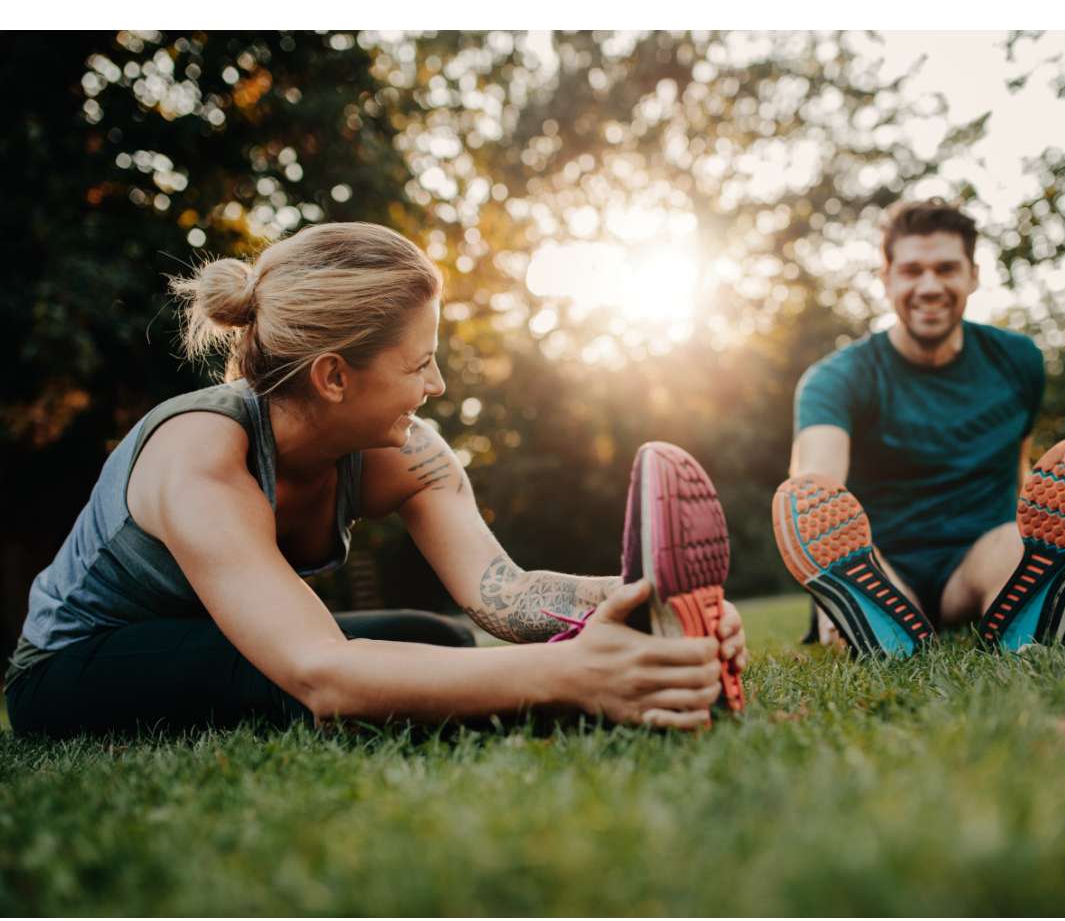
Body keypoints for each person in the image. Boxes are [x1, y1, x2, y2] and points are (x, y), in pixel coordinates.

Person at [4, 222, 746, 739]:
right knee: (301, 684)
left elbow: (507, 596)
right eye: (419, 363)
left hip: (218, 643)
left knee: (439, 642)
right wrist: (574, 678)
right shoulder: (202, 453)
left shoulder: (405, 453)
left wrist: (647, 607)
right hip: (76, 667)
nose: (440, 383)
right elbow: (322, 672)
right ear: (334, 376)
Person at [770, 199, 1065, 657]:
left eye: (946, 269)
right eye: (912, 270)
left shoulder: (1018, 361)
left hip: (979, 557)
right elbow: (816, 489)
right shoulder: (837, 378)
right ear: (887, 279)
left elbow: (1018, 461)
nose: (929, 286)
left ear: (973, 275)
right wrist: (821, 577)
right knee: (855, 566)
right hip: (883, 563)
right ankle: (852, 607)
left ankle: (1035, 607)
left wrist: (1033, 529)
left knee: (1018, 549)